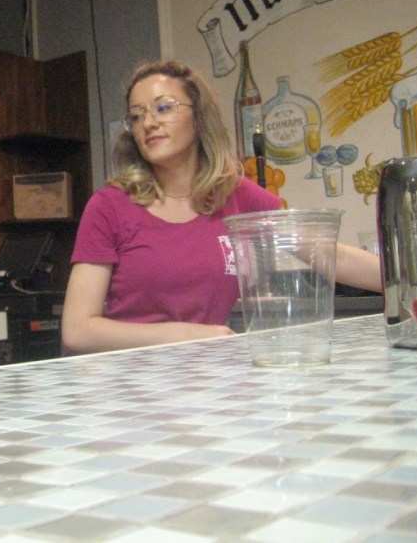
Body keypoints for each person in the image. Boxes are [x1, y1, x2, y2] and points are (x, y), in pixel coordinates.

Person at [61, 60, 382, 355]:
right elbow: (78, 331)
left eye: (163, 107)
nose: (148, 123)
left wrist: (405, 281)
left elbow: (331, 255)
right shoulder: (109, 206)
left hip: (210, 372)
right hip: (131, 379)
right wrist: (182, 334)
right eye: (136, 115)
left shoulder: (238, 196)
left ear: (199, 117)